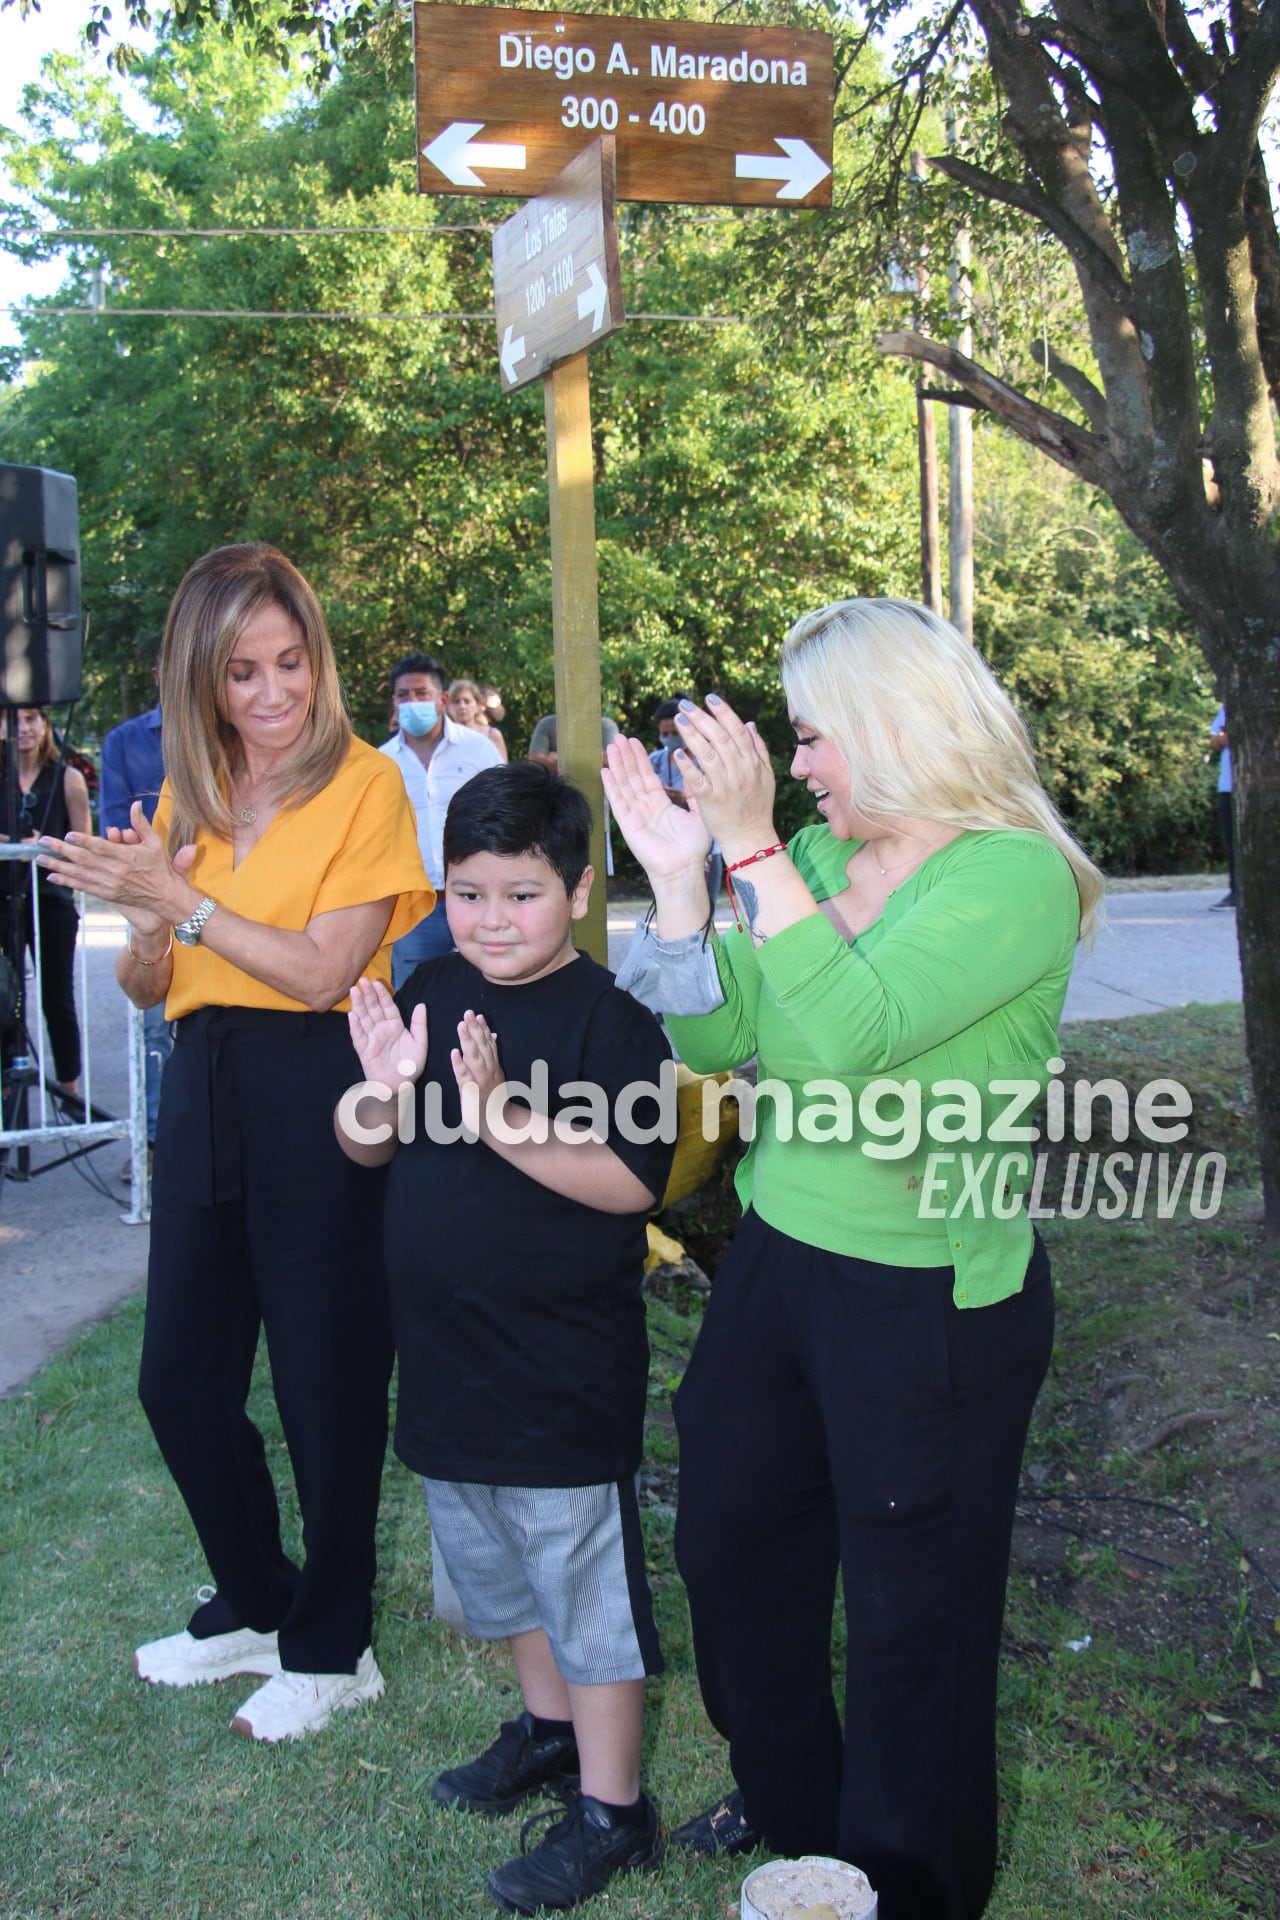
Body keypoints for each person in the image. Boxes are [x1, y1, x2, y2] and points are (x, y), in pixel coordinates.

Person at [604, 598, 1105, 1920]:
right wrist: (675, 880)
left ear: (897, 726)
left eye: (816, 737)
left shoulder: (1012, 875)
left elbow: (847, 1037)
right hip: (782, 1259)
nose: (802, 764)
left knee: (911, 1617)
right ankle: (792, 1814)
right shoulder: (818, 855)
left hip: (931, 1300)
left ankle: (908, 1882)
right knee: (729, 1544)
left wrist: (753, 848)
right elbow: (715, 1048)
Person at [37, 543, 433, 1743]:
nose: (272, 694)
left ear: (317, 659)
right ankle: (258, 1599)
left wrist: (187, 904)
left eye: (290, 663)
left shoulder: (365, 783)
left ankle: (335, 1640)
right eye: (242, 673)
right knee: (178, 1379)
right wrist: (143, 917)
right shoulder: (191, 798)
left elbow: (321, 971)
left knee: (326, 1376)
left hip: (318, 1083)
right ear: (201, 682)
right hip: (201, 1076)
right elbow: (155, 987)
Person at [337, 762, 674, 1915]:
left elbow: (631, 1183)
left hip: (560, 1374)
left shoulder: (613, 1022)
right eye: (467, 892)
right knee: (498, 1579)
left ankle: (612, 1808)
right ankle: (542, 1732)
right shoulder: (425, 984)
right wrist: (383, 1089)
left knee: (583, 1595)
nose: (490, 920)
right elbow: (362, 1148)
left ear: (576, 890)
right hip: (444, 1358)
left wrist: (497, 1114)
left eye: (519, 894)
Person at [381, 653, 502, 982]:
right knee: (418, 995)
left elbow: (507, 817)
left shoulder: (478, 750)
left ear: (442, 699)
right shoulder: (380, 764)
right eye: (403, 695)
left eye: (422, 693)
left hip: (481, 898)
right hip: (414, 906)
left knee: (491, 989)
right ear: (394, 701)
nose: (412, 702)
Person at [0, 706, 91, 1096]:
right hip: (4, 901)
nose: (23, 728)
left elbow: (85, 849)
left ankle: (70, 1092)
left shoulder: (67, 779)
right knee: (4, 996)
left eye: (32, 718)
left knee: (58, 997)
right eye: (13, 719)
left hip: (51, 900)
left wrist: (43, 847)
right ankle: (7, 1092)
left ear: (45, 725)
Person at [99, 662, 172, 1148]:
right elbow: (114, 826)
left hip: (236, 906)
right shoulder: (125, 741)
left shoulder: (240, 730)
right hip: (159, 906)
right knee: (157, 1032)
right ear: (156, 673)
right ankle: (153, 1147)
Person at [649, 695, 724, 903]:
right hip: (667, 844)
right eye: (664, 734)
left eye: (675, 733)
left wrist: (686, 797)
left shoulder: (707, 760)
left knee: (706, 908)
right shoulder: (654, 761)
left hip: (707, 848)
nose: (669, 738)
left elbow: (721, 799)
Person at [447, 676, 509, 761]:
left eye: (467, 701)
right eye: (456, 702)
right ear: (448, 707)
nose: (462, 706)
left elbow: (502, 770)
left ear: (478, 705)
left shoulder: (492, 735)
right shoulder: (444, 737)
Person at [1209, 704, 1234, 910]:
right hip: (1228, 786)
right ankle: (1236, 892)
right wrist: (1226, 736)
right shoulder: (1230, 706)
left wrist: (1228, 735)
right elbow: (1215, 741)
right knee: (1232, 841)